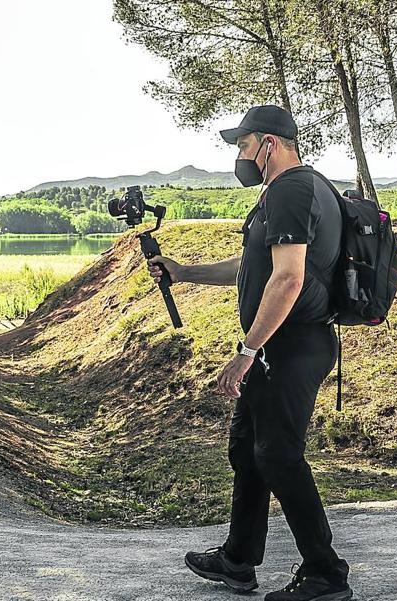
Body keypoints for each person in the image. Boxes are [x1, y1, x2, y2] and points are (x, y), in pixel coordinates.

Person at [149, 106, 352, 601]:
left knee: (278, 454)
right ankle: (239, 560)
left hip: (294, 343)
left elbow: (289, 278)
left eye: (243, 145)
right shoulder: (294, 191)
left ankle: (326, 573)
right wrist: (185, 272)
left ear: (270, 143)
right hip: (282, 344)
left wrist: (246, 351)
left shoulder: (291, 189)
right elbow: (253, 265)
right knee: (247, 448)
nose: (240, 156)